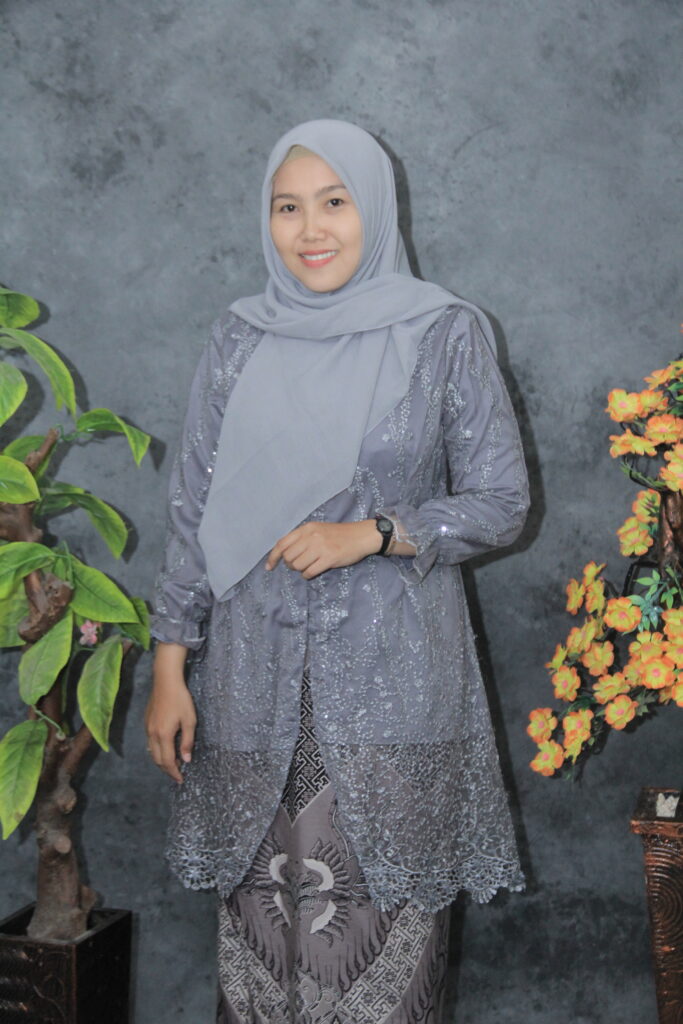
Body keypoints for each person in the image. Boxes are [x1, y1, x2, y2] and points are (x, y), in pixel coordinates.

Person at [145, 118, 530, 1024]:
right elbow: (193, 511)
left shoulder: (442, 333)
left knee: (374, 955)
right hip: (251, 685)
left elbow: (501, 501)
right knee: (260, 948)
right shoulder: (239, 339)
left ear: (377, 211)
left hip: (394, 687)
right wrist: (168, 668)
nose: (310, 229)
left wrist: (378, 532)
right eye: (287, 208)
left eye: (334, 202)